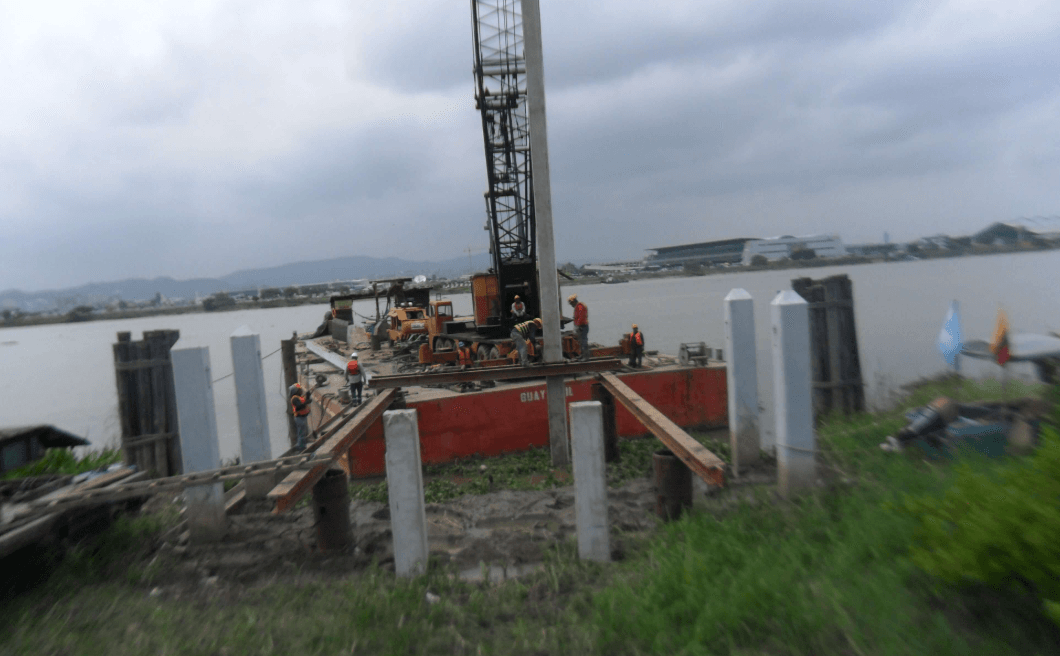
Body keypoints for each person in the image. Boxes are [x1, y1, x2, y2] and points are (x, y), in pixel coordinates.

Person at [568, 294, 589, 361]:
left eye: (571, 303)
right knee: (580, 341)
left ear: (573, 302)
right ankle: (582, 355)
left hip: (582, 326)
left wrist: (578, 325)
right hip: (581, 326)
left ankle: (585, 357)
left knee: (583, 341)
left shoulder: (580, 306)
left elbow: (581, 317)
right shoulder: (578, 306)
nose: (571, 305)